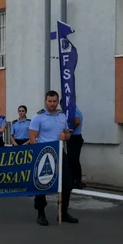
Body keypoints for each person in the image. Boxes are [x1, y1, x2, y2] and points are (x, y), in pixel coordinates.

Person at [29, 91, 78, 226]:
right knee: (42, 184)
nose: (52, 104)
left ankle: (63, 212)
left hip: (60, 153)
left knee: (67, 184)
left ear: (57, 101)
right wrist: (37, 153)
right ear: (46, 101)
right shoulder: (38, 117)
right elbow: (32, 138)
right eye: (49, 101)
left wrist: (65, 137)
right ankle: (41, 213)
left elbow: (67, 134)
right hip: (44, 154)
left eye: (54, 101)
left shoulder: (62, 116)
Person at [68, 107, 84, 189]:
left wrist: (69, 130)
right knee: (73, 161)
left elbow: (77, 121)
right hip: (75, 138)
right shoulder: (76, 110)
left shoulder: (73, 111)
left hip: (74, 138)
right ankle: (76, 180)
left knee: (73, 161)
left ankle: (76, 181)